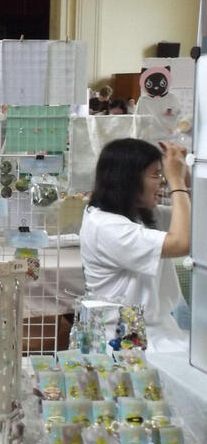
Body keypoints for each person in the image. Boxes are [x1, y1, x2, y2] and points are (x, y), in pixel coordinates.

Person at [79, 138, 190, 352]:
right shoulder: (106, 226)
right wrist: (177, 182)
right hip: (125, 341)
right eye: (156, 175)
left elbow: (191, 219)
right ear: (128, 180)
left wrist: (183, 174)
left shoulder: (137, 215)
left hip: (157, 332)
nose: (162, 183)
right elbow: (181, 243)